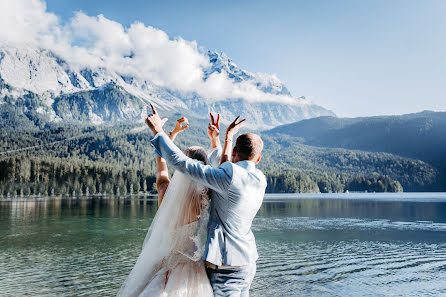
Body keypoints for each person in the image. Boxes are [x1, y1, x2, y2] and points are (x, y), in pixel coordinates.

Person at [146, 104, 267, 297]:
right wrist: (220, 141)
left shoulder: (224, 178)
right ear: (258, 159)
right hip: (248, 261)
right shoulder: (260, 180)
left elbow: (181, 163)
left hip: (226, 265)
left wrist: (159, 131)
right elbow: (225, 170)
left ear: (235, 151)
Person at [117, 114, 221, 297]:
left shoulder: (165, 192)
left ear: (181, 168)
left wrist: (170, 134)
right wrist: (216, 141)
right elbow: (220, 167)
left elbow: (162, 165)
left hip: (168, 265)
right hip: (195, 271)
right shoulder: (207, 196)